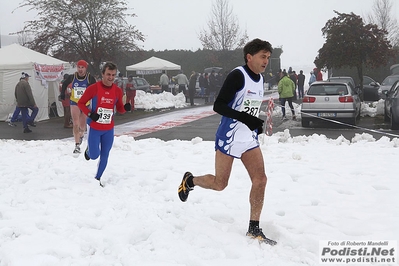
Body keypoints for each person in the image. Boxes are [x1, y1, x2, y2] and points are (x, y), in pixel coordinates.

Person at [177, 38, 277, 246]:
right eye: (262, 57)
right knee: (220, 184)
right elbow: (219, 106)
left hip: (248, 139)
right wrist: (247, 119)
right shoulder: (237, 76)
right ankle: (190, 181)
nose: (266, 61)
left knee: (261, 180)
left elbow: (247, 108)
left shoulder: (260, 79)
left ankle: (254, 227)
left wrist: (254, 123)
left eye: (268, 57)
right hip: (229, 137)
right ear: (249, 57)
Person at [77, 62, 131, 186]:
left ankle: (97, 178)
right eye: (108, 74)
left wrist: (126, 108)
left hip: (108, 128)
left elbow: (120, 109)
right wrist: (90, 114)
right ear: (103, 74)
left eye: (113, 75)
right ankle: (89, 151)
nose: (111, 77)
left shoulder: (117, 91)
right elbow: (81, 103)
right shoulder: (94, 88)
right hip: (94, 127)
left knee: (105, 154)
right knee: (95, 155)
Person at [60, 60, 96, 155]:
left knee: (82, 125)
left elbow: (96, 88)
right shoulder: (72, 77)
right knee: (75, 123)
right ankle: (77, 145)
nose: (80, 69)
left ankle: (81, 135)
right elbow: (64, 84)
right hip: (74, 102)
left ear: (85, 68)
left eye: (82, 67)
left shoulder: (89, 78)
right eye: (79, 67)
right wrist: (62, 94)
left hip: (85, 104)